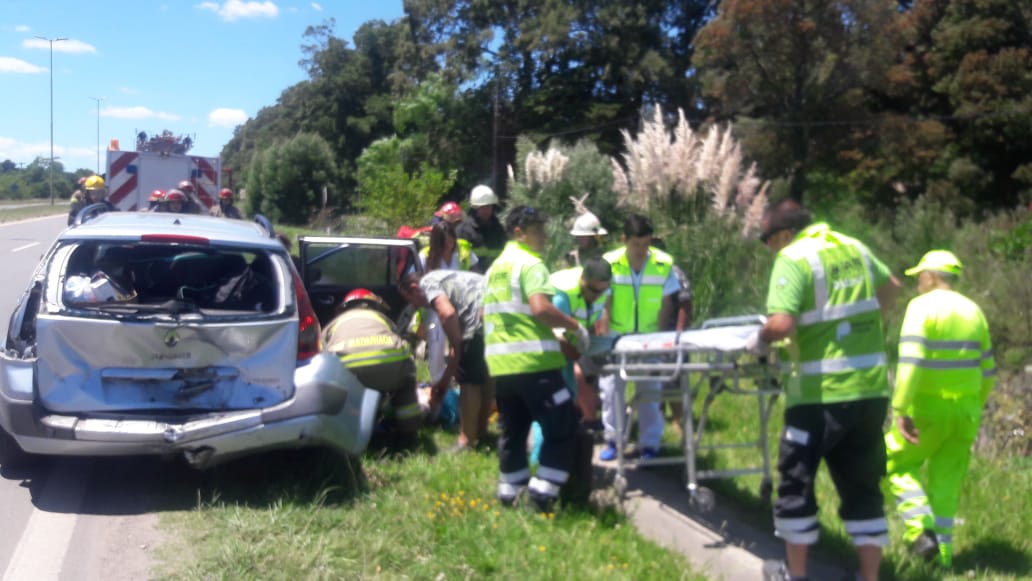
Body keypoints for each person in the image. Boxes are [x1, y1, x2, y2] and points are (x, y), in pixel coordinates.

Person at [749, 199, 901, 581]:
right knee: (863, 485)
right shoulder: (854, 247)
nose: (768, 247)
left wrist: (760, 340)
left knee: (796, 482)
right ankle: (869, 578)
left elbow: (781, 324)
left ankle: (794, 574)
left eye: (767, 238)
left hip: (819, 396)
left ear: (784, 233)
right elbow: (892, 288)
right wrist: (861, 328)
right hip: (870, 393)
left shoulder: (794, 257)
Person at [884, 250, 995, 568]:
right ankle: (942, 559)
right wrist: (975, 404)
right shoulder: (974, 312)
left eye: (920, 276)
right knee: (946, 482)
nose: (918, 282)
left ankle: (920, 532)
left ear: (931, 276)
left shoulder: (921, 307)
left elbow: (911, 362)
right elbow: (988, 371)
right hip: (966, 412)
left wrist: (901, 407)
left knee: (896, 463)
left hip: (927, 410)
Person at [483, 204, 590, 512]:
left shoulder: (494, 270)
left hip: (502, 368)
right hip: (535, 366)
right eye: (537, 231)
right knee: (563, 426)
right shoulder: (530, 264)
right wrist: (574, 327)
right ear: (519, 233)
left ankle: (510, 493)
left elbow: (486, 314)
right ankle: (542, 497)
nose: (544, 236)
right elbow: (541, 308)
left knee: (513, 432)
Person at [597, 214, 680, 462]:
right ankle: (614, 440)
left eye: (646, 244)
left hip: (649, 337)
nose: (642, 250)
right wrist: (603, 331)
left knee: (650, 392)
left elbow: (667, 302)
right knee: (612, 391)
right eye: (636, 244)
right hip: (616, 337)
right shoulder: (609, 262)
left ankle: (649, 445)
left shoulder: (663, 263)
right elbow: (605, 301)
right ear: (624, 240)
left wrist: (662, 337)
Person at [399, 270, 493, 451]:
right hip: (496, 320)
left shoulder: (428, 283)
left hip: (477, 324)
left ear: (414, 288)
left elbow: (448, 314)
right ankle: (481, 431)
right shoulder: (450, 279)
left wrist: (458, 352)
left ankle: (466, 440)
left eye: (411, 300)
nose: (415, 305)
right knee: (487, 377)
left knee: (469, 382)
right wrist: (444, 381)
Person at [323, 289, 422, 451]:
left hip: (349, 371)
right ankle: (409, 434)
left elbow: (322, 355)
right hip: (391, 364)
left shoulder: (334, 324)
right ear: (375, 305)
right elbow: (397, 337)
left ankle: (343, 438)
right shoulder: (383, 319)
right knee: (406, 381)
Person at [550, 258, 612, 426]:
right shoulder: (562, 293)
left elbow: (591, 321)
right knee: (554, 406)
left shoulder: (602, 290)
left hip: (569, 353)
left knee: (568, 397)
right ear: (583, 279)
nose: (597, 295)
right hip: (548, 355)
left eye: (602, 290)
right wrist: (578, 354)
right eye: (593, 290)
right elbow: (555, 335)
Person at [456, 185, 506, 274]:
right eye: (483, 207)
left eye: (489, 207)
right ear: (475, 208)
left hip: (496, 277)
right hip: (472, 278)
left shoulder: (498, 229)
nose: (486, 210)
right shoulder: (463, 230)